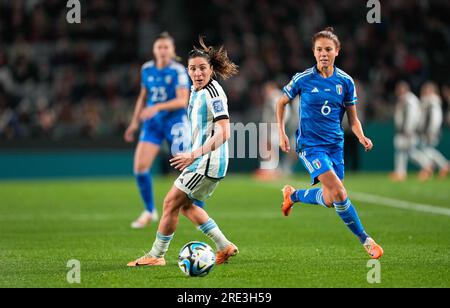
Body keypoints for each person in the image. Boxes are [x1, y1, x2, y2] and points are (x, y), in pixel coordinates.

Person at [127, 37, 239, 267]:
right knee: (186, 207)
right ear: (187, 70)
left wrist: (194, 154)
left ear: (211, 69)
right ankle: (224, 246)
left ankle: (156, 255)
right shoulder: (196, 90)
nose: (198, 73)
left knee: (169, 203)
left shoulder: (213, 93)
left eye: (202, 68)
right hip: (203, 160)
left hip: (207, 161)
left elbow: (224, 132)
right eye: (193, 68)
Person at [276, 27, 383, 259]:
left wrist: (361, 136)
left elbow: (353, 119)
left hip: (335, 145)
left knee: (329, 199)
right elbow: (281, 103)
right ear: (313, 53)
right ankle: (366, 240)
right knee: (340, 192)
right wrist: (282, 132)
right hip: (310, 146)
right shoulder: (303, 78)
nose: (323, 53)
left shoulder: (345, 81)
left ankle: (292, 195)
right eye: (318, 49)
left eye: (328, 49)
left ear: (337, 51)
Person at [124, 32, 204, 229]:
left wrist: (157, 107)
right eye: (159, 47)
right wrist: (134, 123)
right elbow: (143, 97)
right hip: (152, 123)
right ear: (154, 50)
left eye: (166, 47)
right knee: (140, 167)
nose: (162, 51)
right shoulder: (147, 69)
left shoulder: (177, 71)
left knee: (187, 166)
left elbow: (181, 100)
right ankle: (149, 211)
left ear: (172, 50)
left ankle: (199, 209)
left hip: (175, 122)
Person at [391, 81, 432, 181]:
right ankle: (401, 172)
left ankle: (426, 165)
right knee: (406, 152)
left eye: (398, 89)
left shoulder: (409, 100)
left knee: (408, 152)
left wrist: (408, 129)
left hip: (408, 131)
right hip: (405, 130)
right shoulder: (404, 99)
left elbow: (412, 116)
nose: (396, 91)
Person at [419, 82, 449, 178]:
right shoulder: (428, 101)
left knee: (428, 150)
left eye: (428, 89)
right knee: (427, 150)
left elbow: (436, 118)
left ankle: (442, 165)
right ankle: (431, 168)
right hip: (426, 130)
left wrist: (432, 130)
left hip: (430, 131)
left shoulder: (433, 101)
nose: (425, 91)